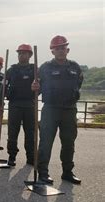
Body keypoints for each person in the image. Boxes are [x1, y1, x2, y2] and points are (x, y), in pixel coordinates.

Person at [32, 35, 83, 185]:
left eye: (63, 48)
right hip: (51, 109)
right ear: (52, 51)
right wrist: (34, 87)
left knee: (68, 142)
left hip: (69, 109)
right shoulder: (45, 67)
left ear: (67, 49)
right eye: (57, 48)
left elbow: (78, 84)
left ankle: (67, 172)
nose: (60, 50)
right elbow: (36, 89)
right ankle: (43, 173)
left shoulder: (75, 67)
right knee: (46, 142)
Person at [0, 44, 35, 166]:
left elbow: (43, 86)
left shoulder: (35, 70)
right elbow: (2, 88)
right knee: (12, 133)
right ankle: (12, 156)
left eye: (24, 53)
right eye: (19, 53)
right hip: (15, 105)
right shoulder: (11, 70)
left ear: (30, 55)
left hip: (30, 105)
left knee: (30, 134)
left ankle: (31, 157)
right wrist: (0, 103)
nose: (21, 55)